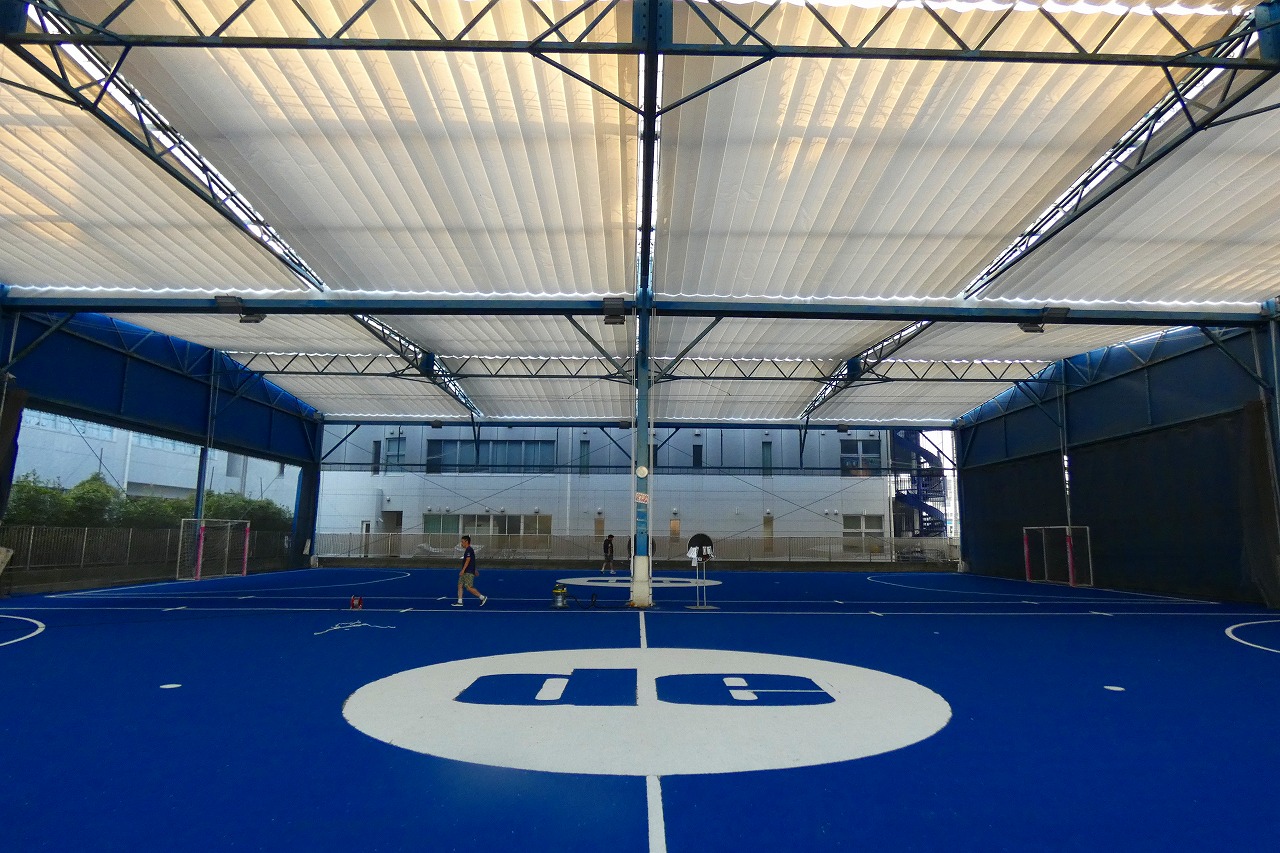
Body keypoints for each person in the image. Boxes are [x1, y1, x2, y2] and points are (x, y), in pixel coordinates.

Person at [453, 535, 487, 607]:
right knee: (460, 585)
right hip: (467, 571)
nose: (461, 543)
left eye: (462, 542)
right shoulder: (468, 550)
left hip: (468, 572)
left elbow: (468, 560)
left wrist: (463, 570)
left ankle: (482, 597)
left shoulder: (469, 549)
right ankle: (460, 601)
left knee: (468, 587)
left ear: (466, 542)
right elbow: (472, 561)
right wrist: (474, 570)